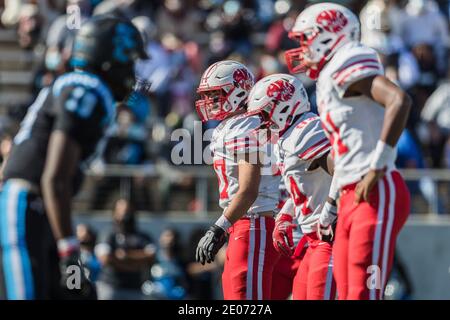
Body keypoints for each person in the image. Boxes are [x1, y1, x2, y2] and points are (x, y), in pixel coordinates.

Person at [0, 15, 148, 300]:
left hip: (39, 212)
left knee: (78, 293)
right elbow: (54, 179)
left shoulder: (75, 85)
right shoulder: (86, 89)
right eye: (129, 59)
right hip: (25, 207)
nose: (131, 70)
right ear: (109, 58)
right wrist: (69, 250)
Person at [285, 3, 412, 300]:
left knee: (363, 295)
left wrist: (377, 166)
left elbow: (398, 100)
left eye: (305, 39)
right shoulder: (331, 75)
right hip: (349, 196)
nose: (302, 49)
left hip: (375, 189)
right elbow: (346, 151)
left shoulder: (348, 58)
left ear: (329, 35)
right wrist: (329, 208)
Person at [194, 60, 281, 300]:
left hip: (253, 224)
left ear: (239, 91)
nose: (210, 102)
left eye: (215, 94)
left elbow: (248, 189)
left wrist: (218, 227)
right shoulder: (235, 124)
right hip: (245, 225)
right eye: (208, 95)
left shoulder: (245, 125)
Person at [247, 73, 337, 300]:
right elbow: (304, 186)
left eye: (265, 114)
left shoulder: (307, 130)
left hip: (330, 239)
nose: (262, 122)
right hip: (313, 242)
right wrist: (286, 214)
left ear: (284, 107)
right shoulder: (288, 137)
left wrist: (331, 208)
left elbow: (345, 171)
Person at [95, 198, 156, 300]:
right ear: (115, 213)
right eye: (122, 211)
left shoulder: (143, 237)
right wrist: (135, 263)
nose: (125, 215)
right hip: (111, 288)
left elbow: (151, 256)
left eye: (128, 211)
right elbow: (105, 258)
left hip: (135, 289)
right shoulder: (107, 234)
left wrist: (125, 256)